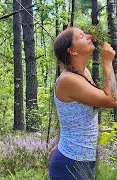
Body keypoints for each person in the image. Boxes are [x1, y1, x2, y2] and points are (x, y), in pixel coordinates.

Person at [49, 27, 117, 179]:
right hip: (70, 163)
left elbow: (71, 117)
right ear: (72, 51)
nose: (90, 36)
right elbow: (113, 100)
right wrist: (107, 63)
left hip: (83, 160)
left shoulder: (83, 73)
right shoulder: (68, 80)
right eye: (81, 36)